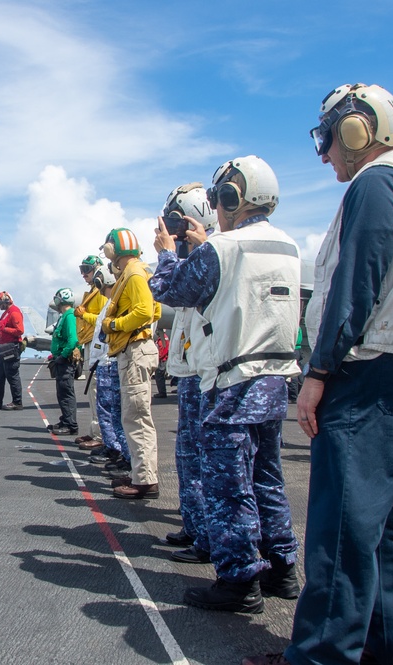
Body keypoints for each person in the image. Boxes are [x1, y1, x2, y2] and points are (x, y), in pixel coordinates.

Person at [245, 84, 393, 665]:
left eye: (327, 139)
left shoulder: (378, 180)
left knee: (341, 529)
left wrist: (319, 370)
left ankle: (320, 654)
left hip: (364, 371)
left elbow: (357, 281)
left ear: (356, 130)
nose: (324, 155)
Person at [152, 156, 301, 614]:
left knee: (228, 484)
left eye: (220, 199)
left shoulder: (222, 249)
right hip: (275, 379)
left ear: (233, 198)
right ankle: (283, 567)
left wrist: (165, 251)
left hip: (233, 382)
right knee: (267, 478)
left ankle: (238, 582)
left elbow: (169, 290)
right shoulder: (289, 245)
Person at [152, 182, 218, 561]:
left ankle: (206, 535)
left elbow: (170, 289)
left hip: (203, 369)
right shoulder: (199, 255)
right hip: (192, 366)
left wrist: (167, 255)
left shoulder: (210, 255)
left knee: (200, 456)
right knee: (187, 454)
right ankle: (195, 526)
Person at [101, 228, 162, 500]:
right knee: (134, 416)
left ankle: (146, 481)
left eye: (108, 245)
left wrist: (114, 324)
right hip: (134, 350)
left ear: (115, 249)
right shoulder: (137, 272)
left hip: (135, 351)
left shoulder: (135, 273)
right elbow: (156, 309)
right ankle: (141, 473)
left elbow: (146, 311)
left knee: (136, 417)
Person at [84, 265, 131, 473]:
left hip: (109, 361)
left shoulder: (116, 304)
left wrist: (103, 358)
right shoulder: (109, 305)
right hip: (102, 362)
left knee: (113, 411)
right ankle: (112, 447)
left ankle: (118, 450)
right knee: (106, 411)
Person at [74, 255, 108, 446]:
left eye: (86, 269)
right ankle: (95, 431)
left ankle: (101, 436)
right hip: (90, 343)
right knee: (92, 391)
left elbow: (103, 320)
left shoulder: (102, 292)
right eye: (82, 269)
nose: (83, 274)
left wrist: (84, 315)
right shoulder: (94, 291)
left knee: (97, 390)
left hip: (99, 345)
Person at [47, 288, 80, 434]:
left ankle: (70, 425)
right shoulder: (64, 316)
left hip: (65, 361)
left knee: (66, 392)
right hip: (61, 360)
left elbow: (73, 339)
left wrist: (63, 355)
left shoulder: (70, 316)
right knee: (62, 392)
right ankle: (65, 420)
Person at [0, 291, 25, 410]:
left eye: (0, 303)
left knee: (12, 375)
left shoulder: (14, 312)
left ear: (6, 301)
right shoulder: (7, 312)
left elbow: (20, 330)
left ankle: (17, 402)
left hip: (11, 347)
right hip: (4, 348)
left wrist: (5, 329)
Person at [154, 329, 169, 398]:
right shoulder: (164, 338)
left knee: (159, 376)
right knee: (160, 376)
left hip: (162, 360)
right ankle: (162, 392)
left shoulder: (162, 339)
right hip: (163, 359)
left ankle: (162, 393)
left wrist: (158, 358)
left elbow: (162, 350)